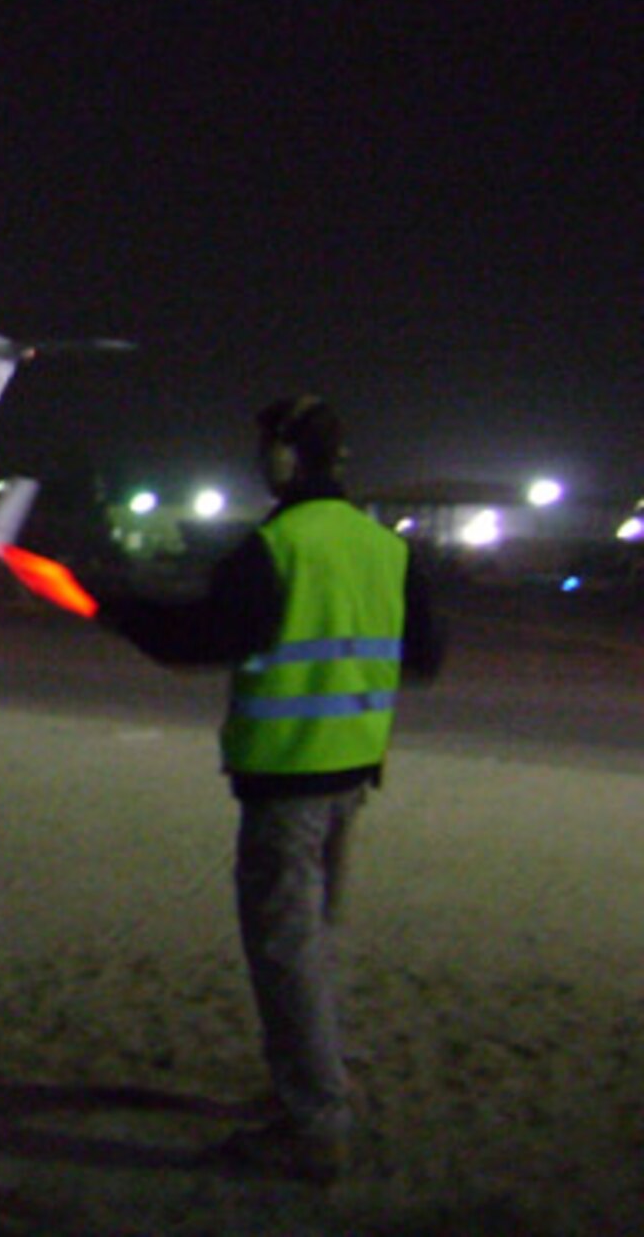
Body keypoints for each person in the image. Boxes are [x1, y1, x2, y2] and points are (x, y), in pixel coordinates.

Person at [97, 396, 443, 1183]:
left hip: (286, 775)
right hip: (353, 773)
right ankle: (318, 1079)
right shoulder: (386, 548)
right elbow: (425, 657)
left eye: (266, 449)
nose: (262, 462)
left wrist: (116, 610)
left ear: (285, 458)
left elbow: (201, 642)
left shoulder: (275, 546)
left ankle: (314, 1121)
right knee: (312, 941)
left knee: (285, 948)